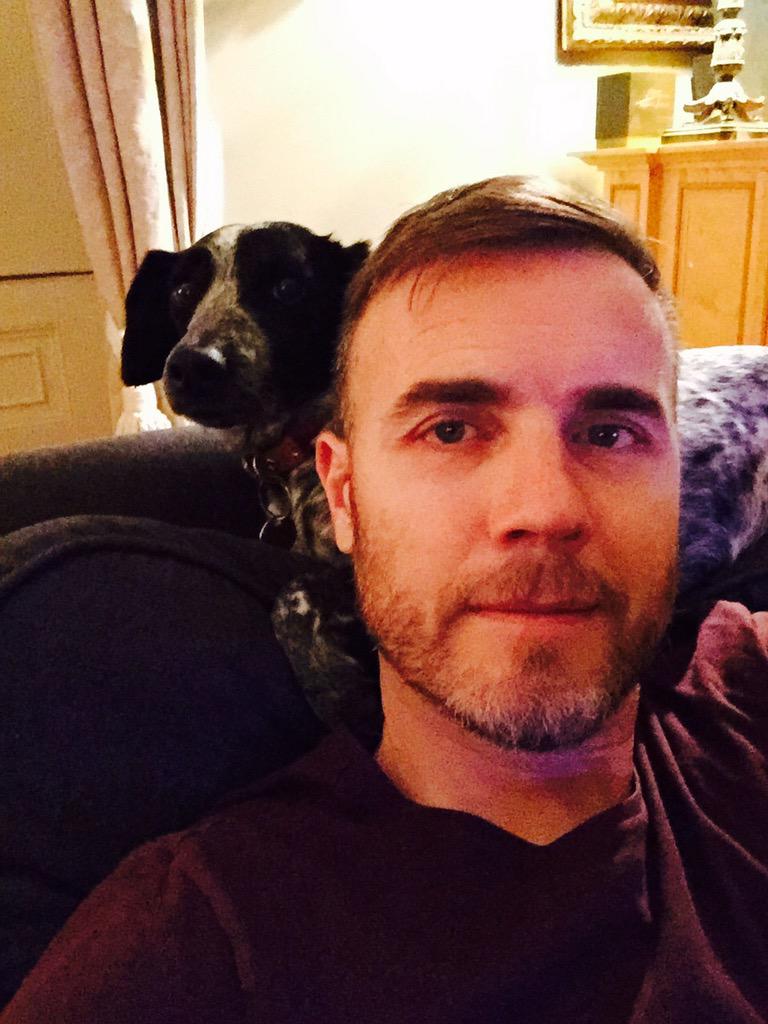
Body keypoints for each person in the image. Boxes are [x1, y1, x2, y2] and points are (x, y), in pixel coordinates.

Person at [3, 176, 767, 1023]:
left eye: (610, 433)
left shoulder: (744, 688)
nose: (545, 510)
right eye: (451, 429)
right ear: (340, 492)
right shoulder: (190, 945)